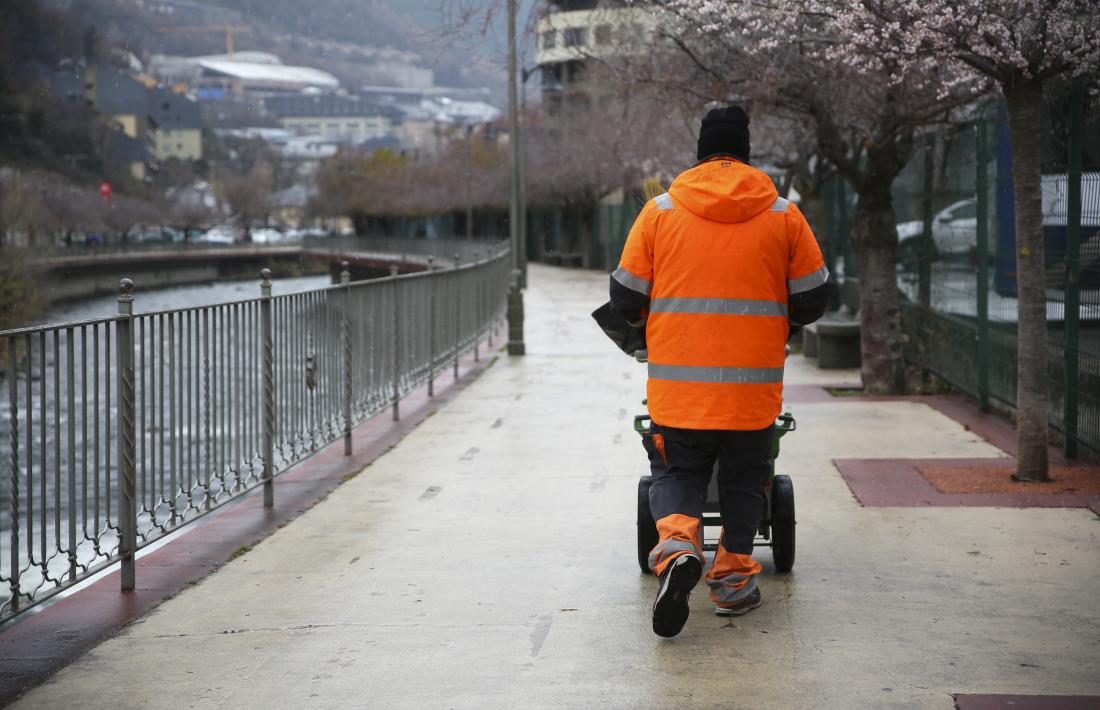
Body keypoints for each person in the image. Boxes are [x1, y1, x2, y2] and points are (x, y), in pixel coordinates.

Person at [609, 105, 829, 638]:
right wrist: (780, 319)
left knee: (677, 471)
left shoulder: (659, 211)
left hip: (678, 392)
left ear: (701, 151)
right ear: (746, 152)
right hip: (751, 394)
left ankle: (681, 549)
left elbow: (624, 295)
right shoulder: (783, 214)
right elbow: (815, 297)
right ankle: (731, 583)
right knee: (746, 478)